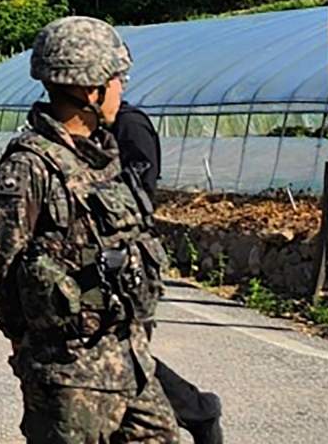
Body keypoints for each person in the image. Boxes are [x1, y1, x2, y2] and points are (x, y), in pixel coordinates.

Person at [0, 15, 178, 444]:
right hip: (69, 375)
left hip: (128, 360)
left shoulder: (102, 155)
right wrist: (32, 341)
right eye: (116, 78)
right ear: (90, 89)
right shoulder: (30, 166)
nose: (122, 88)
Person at [114, 100, 224, 444]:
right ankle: (197, 411)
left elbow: (141, 194)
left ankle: (198, 410)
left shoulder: (129, 125)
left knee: (121, 356)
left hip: (123, 260)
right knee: (112, 358)